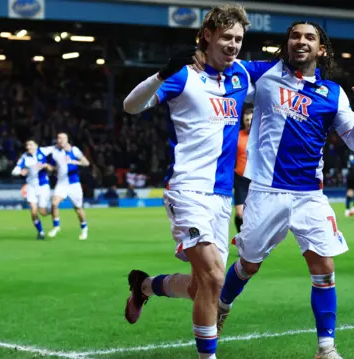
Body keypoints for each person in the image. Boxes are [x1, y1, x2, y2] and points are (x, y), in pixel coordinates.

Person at [214, 21, 354, 359]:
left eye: (309, 37)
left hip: (310, 196)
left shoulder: (333, 94)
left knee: (324, 269)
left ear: (321, 49)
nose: (301, 41)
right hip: (267, 191)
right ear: (288, 43)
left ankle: (325, 348)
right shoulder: (263, 74)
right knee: (249, 265)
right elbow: (222, 69)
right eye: (295, 36)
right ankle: (222, 303)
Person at [122, 5, 252, 359]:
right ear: (207, 36)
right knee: (214, 279)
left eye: (239, 39)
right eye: (226, 37)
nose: (233, 45)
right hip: (188, 191)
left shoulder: (242, 75)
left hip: (222, 197)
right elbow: (131, 106)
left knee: (201, 287)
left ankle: (145, 286)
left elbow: (282, 77)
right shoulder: (183, 75)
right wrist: (163, 72)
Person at [44, 133, 90, 240]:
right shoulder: (55, 152)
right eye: (58, 138)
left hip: (74, 184)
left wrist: (75, 162)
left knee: (78, 208)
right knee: (54, 203)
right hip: (61, 183)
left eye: (62, 138)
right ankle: (56, 226)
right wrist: (48, 167)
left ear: (67, 139)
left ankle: (84, 228)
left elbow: (86, 163)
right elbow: (53, 166)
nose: (60, 140)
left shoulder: (74, 150)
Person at [11, 139, 54, 240]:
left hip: (43, 185)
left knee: (42, 212)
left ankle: (53, 211)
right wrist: (20, 171)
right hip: (31, 186)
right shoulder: (24, 157)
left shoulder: (43, 151)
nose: (28, 147)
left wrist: (49, 164)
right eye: (27, 145)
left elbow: (55, 148)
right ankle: (41, 232)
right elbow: (15, 170)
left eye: (30, 145)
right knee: (34, 211)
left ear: (36, 145)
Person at [234, 104, 253, 232]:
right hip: (240, 178)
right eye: (246, 120)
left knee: (253, 214)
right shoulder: (237, 135)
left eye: (251, 119)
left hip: (255, 179)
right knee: (240, 213)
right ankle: (241, 237)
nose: (248, 122)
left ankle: (250, 241)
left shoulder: (260, 135)